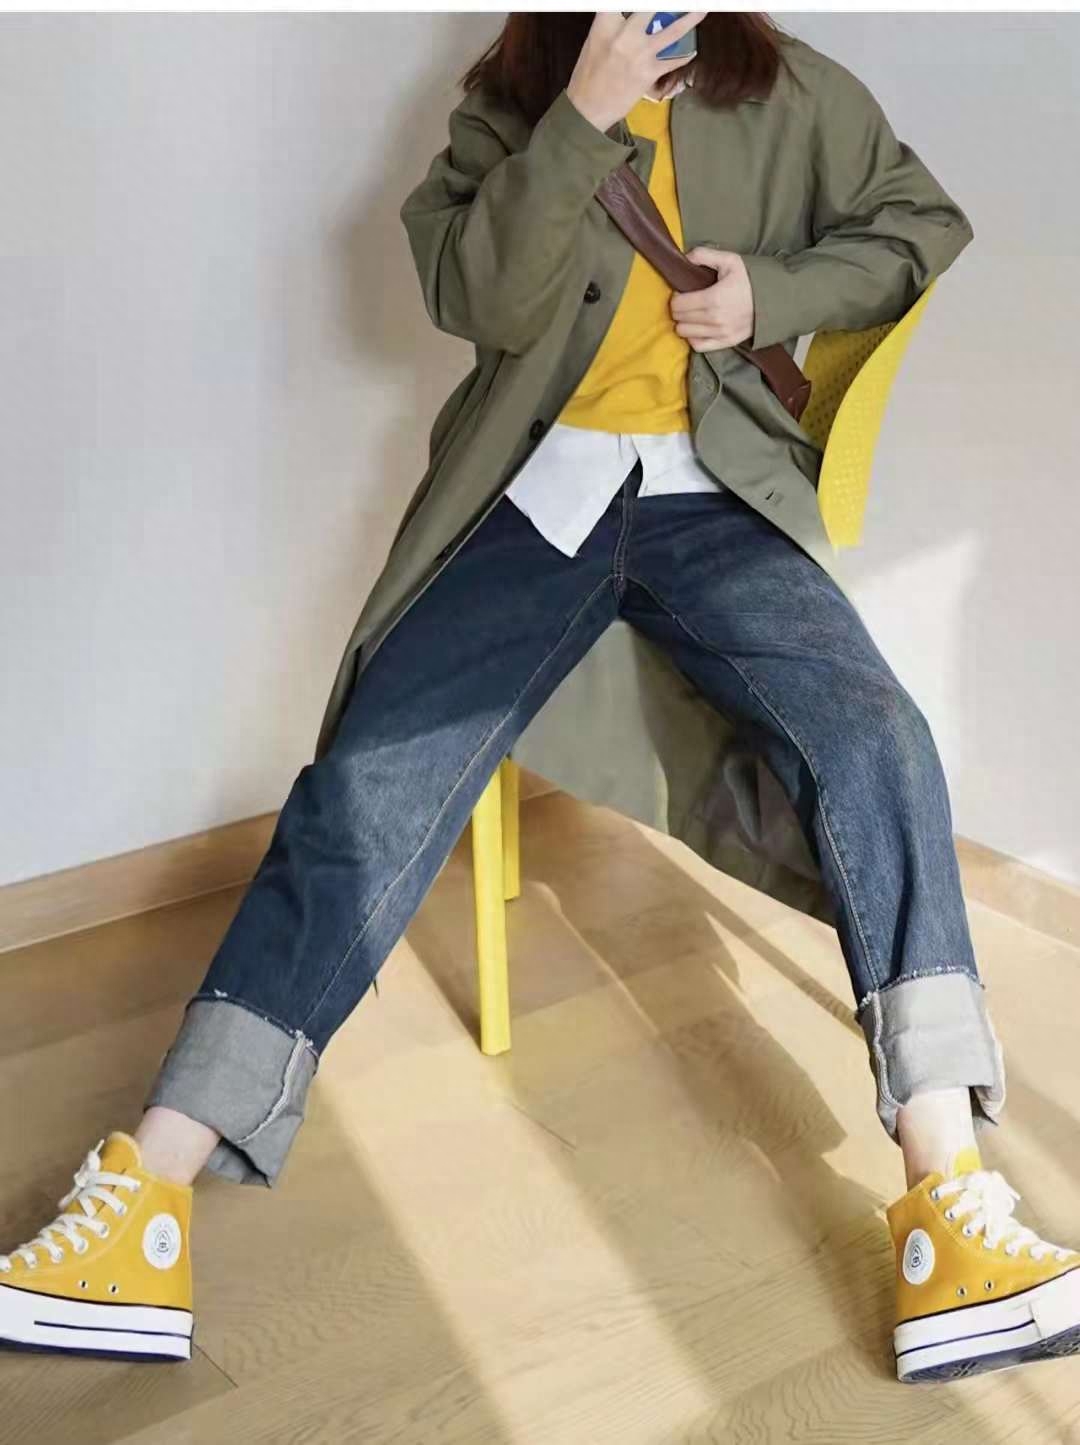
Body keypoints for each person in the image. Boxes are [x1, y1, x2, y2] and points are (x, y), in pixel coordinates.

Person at [3, 12, 1077, 1384]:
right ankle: (145, 1198)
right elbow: (483, 302)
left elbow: (921, 225)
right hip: (535, 502)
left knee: (877, 735)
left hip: (714, 501)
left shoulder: (796, 88)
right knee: (369, 784)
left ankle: (950, 1196)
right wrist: (579, 118)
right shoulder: (514, 97)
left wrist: (774, 294)